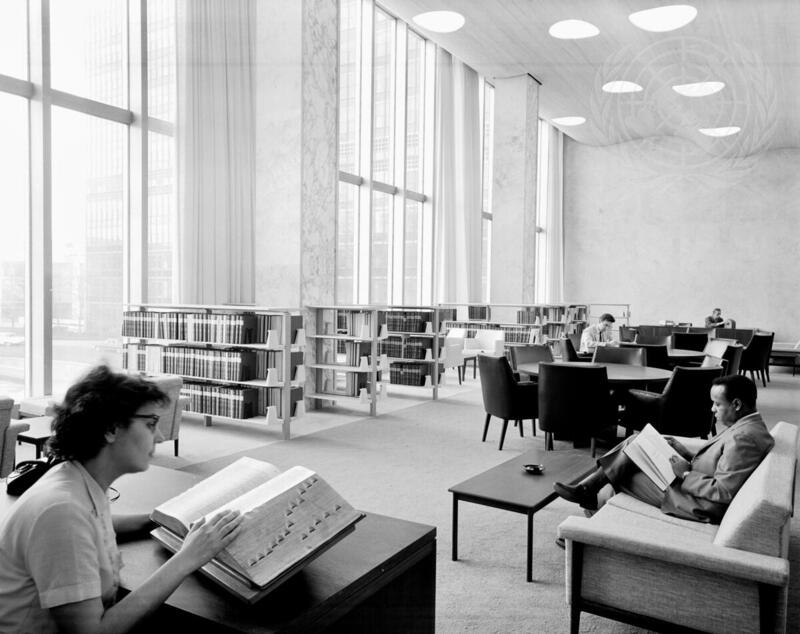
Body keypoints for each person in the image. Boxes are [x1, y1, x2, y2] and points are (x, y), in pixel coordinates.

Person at [0, 366, 244, 633]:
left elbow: (95, 525)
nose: (160, 436)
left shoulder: (77, 478)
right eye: (151, 424)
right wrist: (188, 558)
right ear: (111, 428)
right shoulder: (61, 512)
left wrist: (168, 517)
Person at [553, 374, 773, 524]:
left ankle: (584, 522)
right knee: (637, 442)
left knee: (619, 472)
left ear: (736, 404)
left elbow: (724, 491)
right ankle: (588, 493)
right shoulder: (746, 425)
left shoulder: (744, 438)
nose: (712, 409)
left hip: (697, 503)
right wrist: (685, 453)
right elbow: (721, 464)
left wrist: (686, 473)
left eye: (717, 403)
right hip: (693, 485)